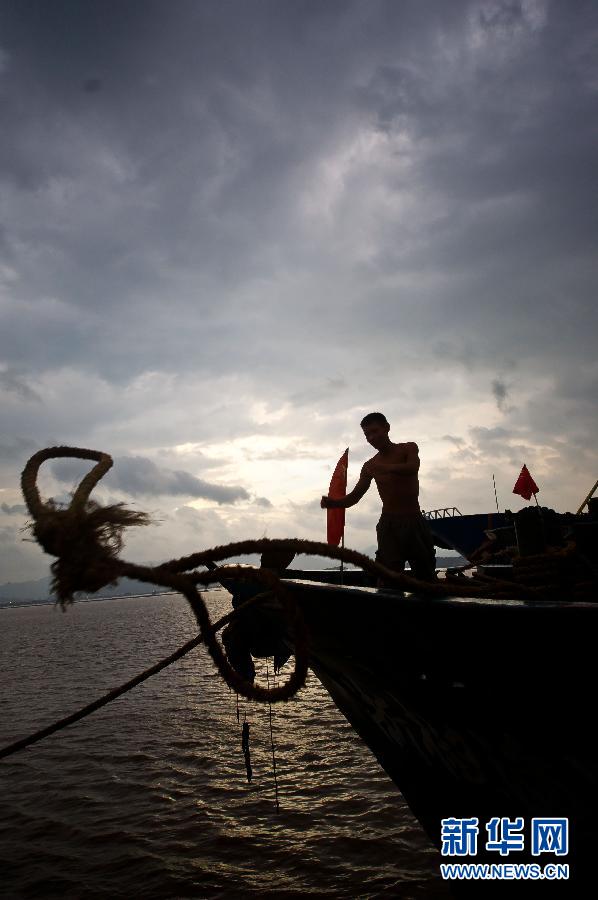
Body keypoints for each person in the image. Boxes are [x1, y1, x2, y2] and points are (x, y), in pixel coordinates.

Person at [320, 412, 436, 583]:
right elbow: (354, 497)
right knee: (388, 577)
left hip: (414, 521)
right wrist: (333, 503)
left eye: (375, 431)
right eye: (367, 434)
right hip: (388, 525)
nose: (371, 437)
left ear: (387, 428)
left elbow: (413, 467)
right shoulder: (369, 466)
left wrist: (387, 468)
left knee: (425, 574)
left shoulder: (408, 448)